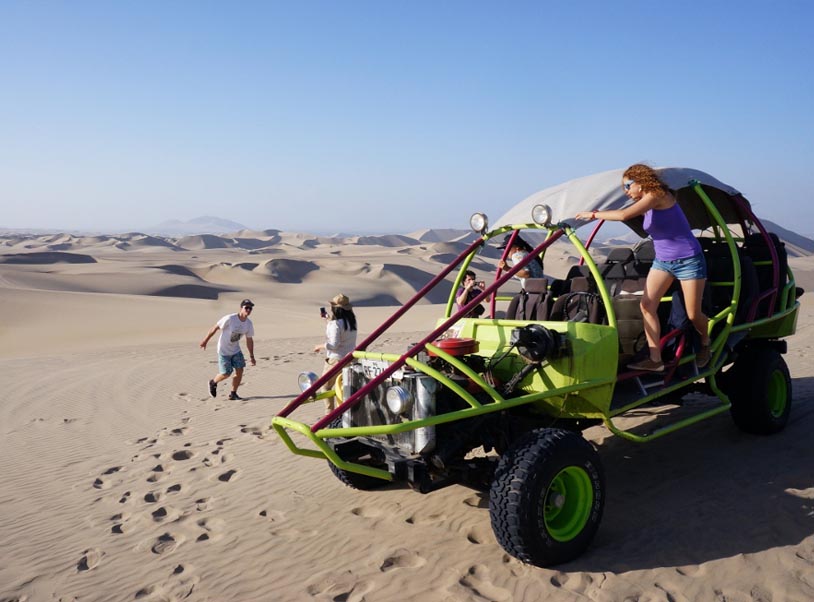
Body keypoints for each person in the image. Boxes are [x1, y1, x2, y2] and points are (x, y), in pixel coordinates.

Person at [575, 164, 711, 372]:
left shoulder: (657, 195)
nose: (627, 191)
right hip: (663, 261)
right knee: (647, 306)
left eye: (628, 185)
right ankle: (655, 359)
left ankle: (705, 342)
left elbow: (623, 215)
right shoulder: (644, 201)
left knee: (693, 315)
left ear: (641, 181)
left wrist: (593, 214)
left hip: (688, 260)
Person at [200, 299, 256, 400]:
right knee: (226, 373)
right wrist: (205, 341)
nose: (248, 310)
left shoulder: (248, 324)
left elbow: (249, 340)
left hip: (235, 350)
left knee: (240, 370)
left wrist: (252, 356)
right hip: (223, 350)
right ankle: (213, 382)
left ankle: (233, 393)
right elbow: (215, 327)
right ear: (241, 308)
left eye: (250, 308)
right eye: (246, 307)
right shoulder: (230, 318)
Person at [313, 293, 358, 414]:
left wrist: (319, 346)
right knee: (345, 388)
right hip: (351, 359)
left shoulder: (335, 324)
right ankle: (345, 413)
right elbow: (340, 329)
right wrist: (328, 320)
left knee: (325, 386)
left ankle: (330, 415)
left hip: (336, 360)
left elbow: (333, 345)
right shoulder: (352, 322)